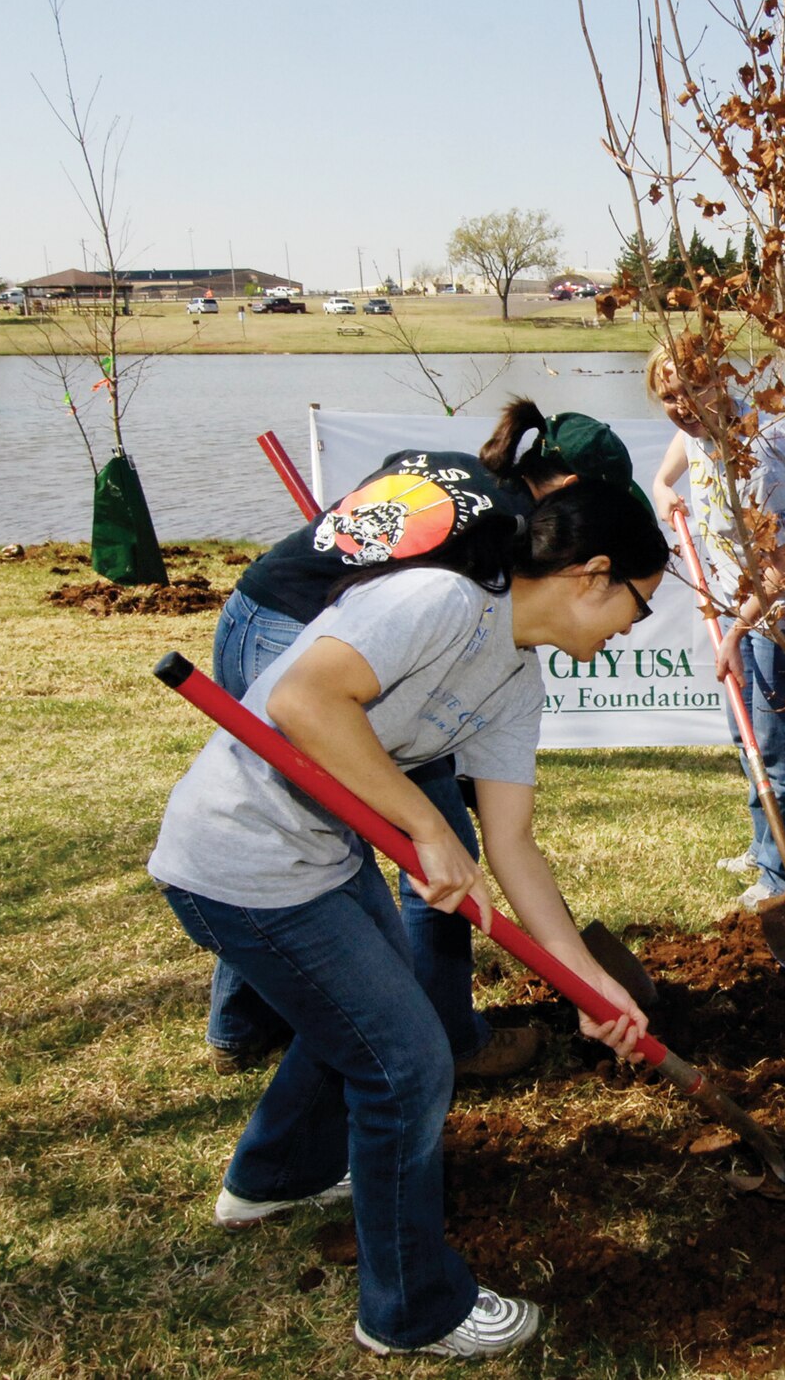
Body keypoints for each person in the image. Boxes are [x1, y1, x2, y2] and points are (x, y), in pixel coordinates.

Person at [149, 479, 665, 1359]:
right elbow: (304, 703)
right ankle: (411, 1309)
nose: (628, 629)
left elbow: (512, 844)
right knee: (406, 1064)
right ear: (593, 574)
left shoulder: (513, 673)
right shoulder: (441, 599)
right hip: (239, 860)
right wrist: (426, 825)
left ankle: (273, 1177)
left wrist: (588, 980)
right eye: (637, 608)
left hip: (318, 858)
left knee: (367, 1011)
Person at [204, 400, 634, 1078]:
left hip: (250, 614)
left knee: (284, 826)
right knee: (423, 850)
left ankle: (239, 1025)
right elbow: (448, 631)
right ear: (572, 492)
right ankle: (439, 1035)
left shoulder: (456, 471)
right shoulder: (504, 534)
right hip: (313, 654)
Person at [647, 340, 785, 910]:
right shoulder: (700, 432)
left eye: (692, 390)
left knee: (778, 751)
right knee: (748, 738)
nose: (681, 406)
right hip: (746, 615)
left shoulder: (758, 459)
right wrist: (663, 488)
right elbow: (676, 455)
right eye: (668, 396)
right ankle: (766, 849)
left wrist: (734, 633)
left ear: (721, 384)